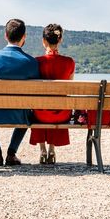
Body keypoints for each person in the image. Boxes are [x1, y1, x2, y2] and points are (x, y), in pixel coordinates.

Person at [0, 19, 40, 166]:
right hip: (19, 115)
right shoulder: (31, 62)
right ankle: (11, 153)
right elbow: (35, 94)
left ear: (5, 35)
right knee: (28, 110)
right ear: (24, 37)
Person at [29, 24, 75, 164]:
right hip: (62, 114)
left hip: (40, 114)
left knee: (38, 105)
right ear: (60, 40)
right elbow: (69, 88)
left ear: (44, 41)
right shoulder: (69, 62)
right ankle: (52, 149)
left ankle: (42, 149)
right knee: (58, 103)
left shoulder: (36, 62)